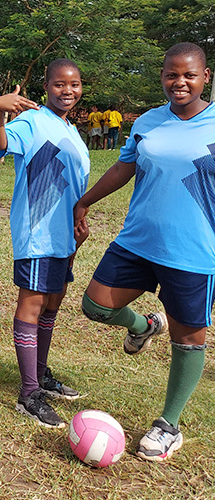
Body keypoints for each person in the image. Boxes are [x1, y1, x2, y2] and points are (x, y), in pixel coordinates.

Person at [74, 42, 212, 462]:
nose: (180, 82)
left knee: (188, 337)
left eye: (189, 74)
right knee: (95, 306)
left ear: (206, 77)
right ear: (163, 77)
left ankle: (168, 424)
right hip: (137, 241)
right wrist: (84, 201)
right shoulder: (149, 121)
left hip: (194, 251)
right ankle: (144, 324)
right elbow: (124, 166)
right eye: (172, 74)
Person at [0, 58, 90, 429]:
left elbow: (75, 187)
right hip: (38, 233)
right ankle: (28, 393)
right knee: (31, 307)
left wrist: (80, 221)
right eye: (60, 84)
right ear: (46, 86)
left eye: (74, 84)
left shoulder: (73, 132)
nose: (68, 90)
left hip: (65, 238)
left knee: (52, 305)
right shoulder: (31, 120)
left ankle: (41, 374)